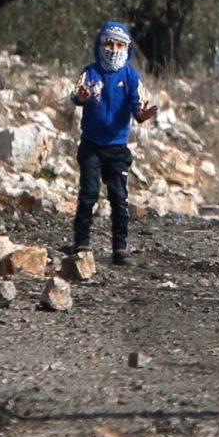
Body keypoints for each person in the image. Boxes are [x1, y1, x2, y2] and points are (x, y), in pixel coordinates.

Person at [69, 21, 157, 265]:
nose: (113, 49)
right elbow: (76, 95)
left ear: (127, 48)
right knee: (88, 194)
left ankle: (120, 248)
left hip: (117, 147)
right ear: (100, 44)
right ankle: (81, 242)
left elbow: (136, 105)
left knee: (119, 197)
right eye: (109, 43)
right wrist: (82, 97)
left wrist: (141, 115)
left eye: (119, 45)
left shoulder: (130, 76)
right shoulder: (90, 72)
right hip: (91, 145)